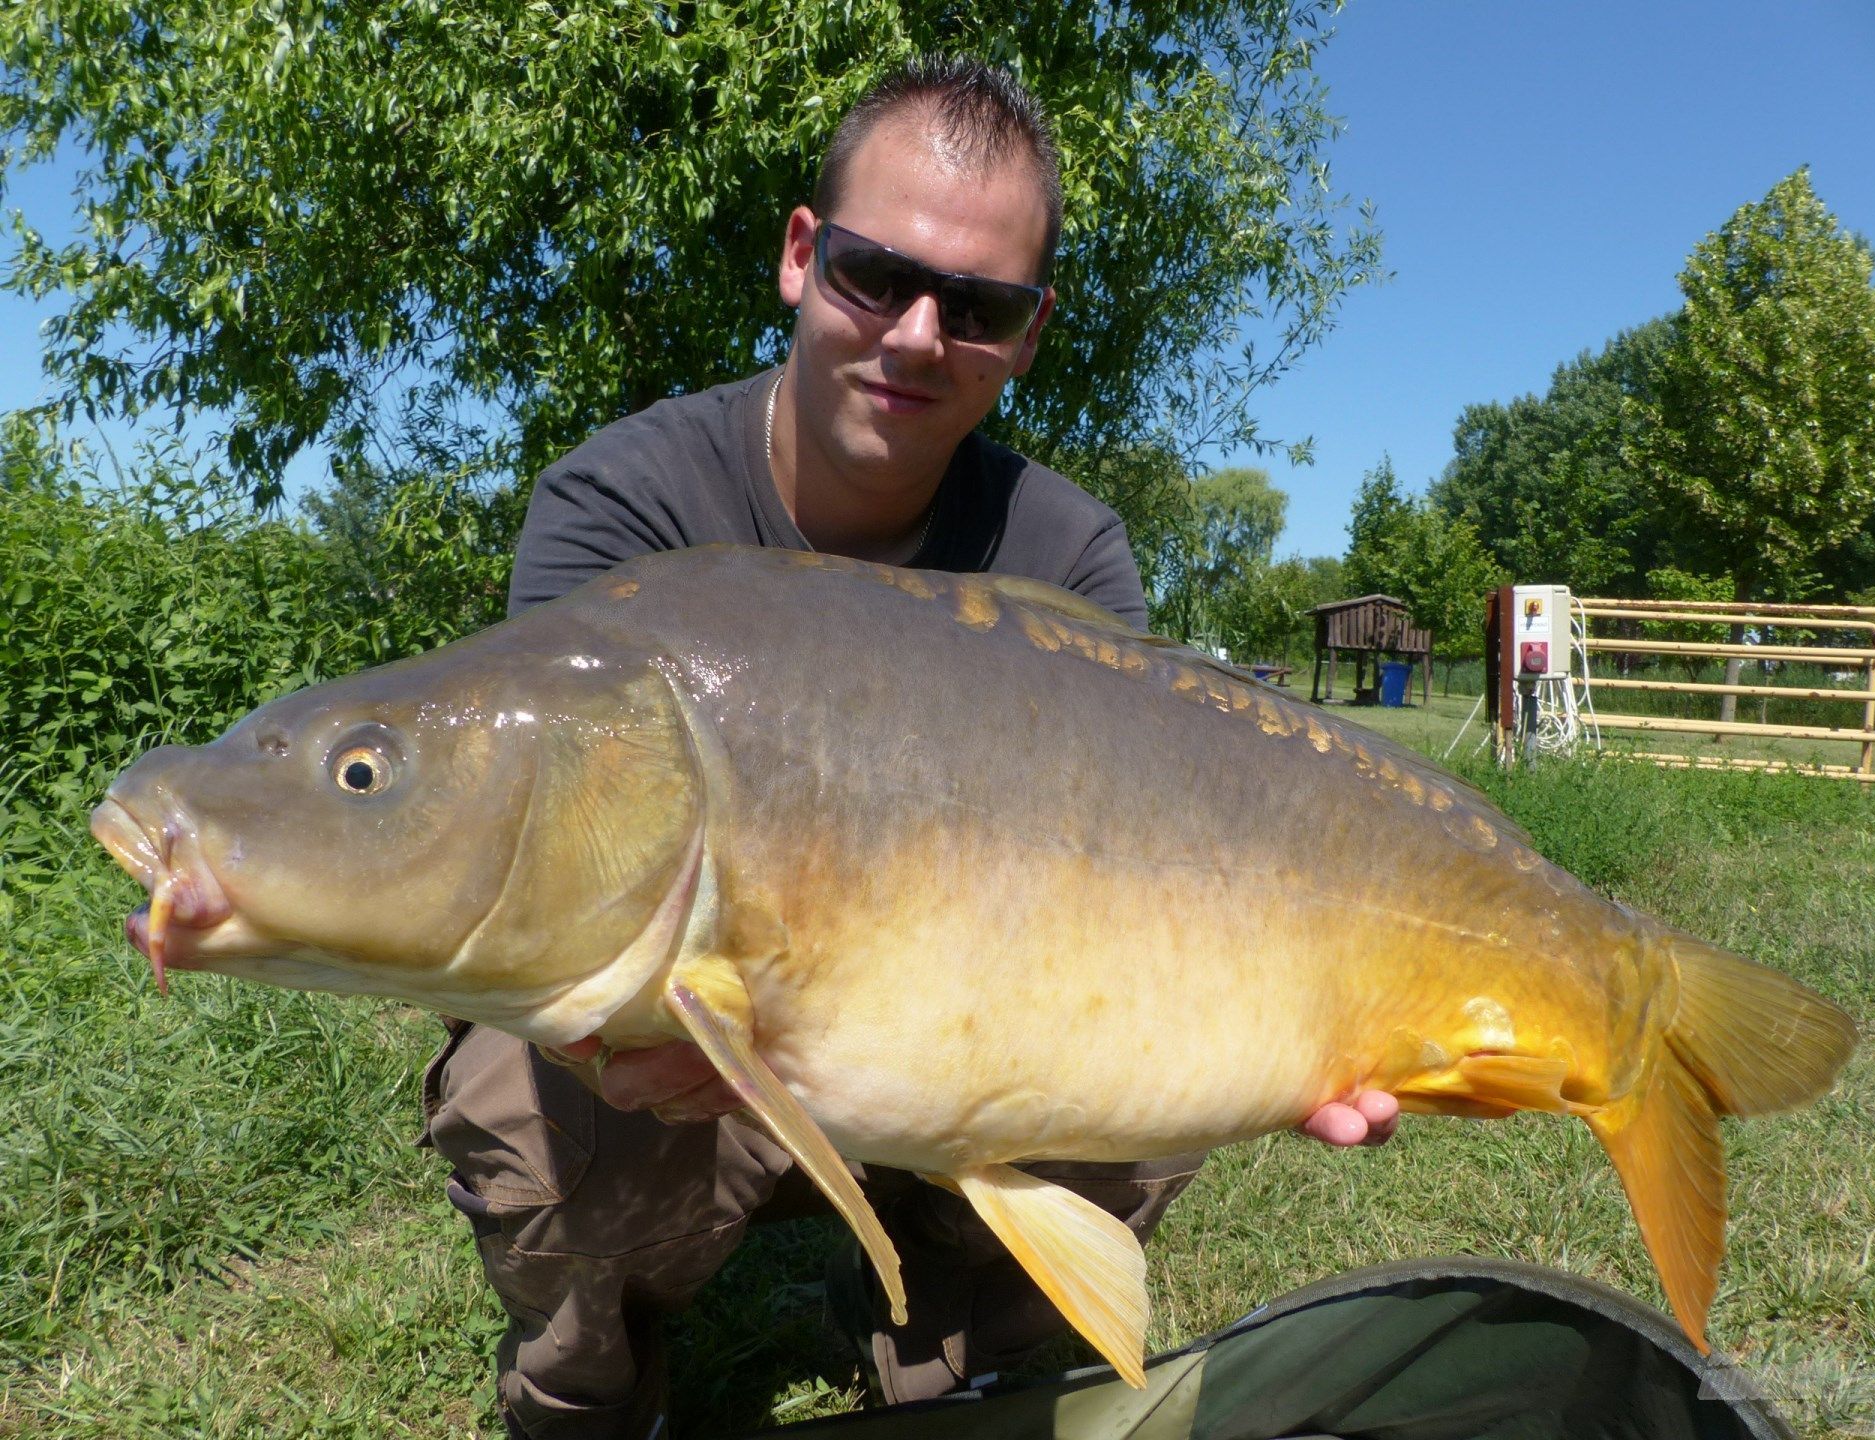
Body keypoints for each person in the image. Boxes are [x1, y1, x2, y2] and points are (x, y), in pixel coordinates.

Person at [425, 55, 1398, 1440]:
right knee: (526, 1073)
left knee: (1160, 1035)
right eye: (877, 277)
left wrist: (1289, 1015)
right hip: (706, 1001)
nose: (919, 334)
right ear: (802, 256)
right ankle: (595, 1391)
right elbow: (558, 871)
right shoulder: (623, 506)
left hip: (953, 1018)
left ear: (1030, 335)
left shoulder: (1067, 556)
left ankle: (967, 1349)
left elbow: (1142, 879)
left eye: (981, 306)